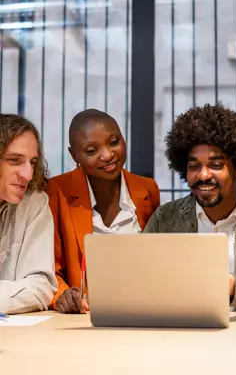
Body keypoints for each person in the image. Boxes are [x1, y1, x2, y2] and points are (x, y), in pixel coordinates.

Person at [144, 103, 236, 311]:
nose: (203, 175)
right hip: (179, 334)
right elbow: (142, 284)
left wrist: (230, 286)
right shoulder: (165, 219)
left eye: (215, 165)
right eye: (193, 166)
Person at [48, 109, 160, 314]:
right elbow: (49, 268)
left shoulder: (147, 189)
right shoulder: (57, 191)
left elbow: (157, 258)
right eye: (91, 151)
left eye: (114, 142)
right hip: (85, 317)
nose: (108, 155)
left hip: (142, 310)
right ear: (74, 155)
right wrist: (62, 295)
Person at [0, 114, 57, 314]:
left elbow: (42, 285)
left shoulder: (35, 202)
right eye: (14, 160)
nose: (28, 174)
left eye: (32, 162)